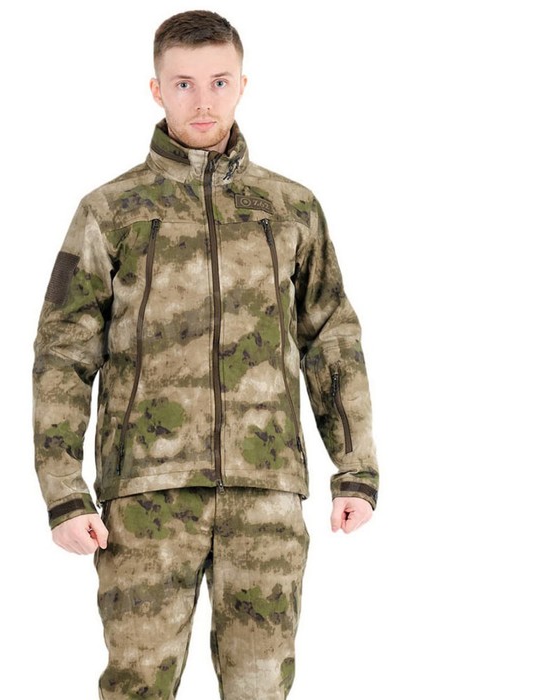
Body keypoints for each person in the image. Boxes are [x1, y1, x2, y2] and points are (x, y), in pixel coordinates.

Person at [32, 10, 379, 699]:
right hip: (146, 495)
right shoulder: (111, 212)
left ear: (243, 84)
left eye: (219, 81)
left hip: (265, 493)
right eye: (184, 83)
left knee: (262, 687)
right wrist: (63, 492)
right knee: (137, 686)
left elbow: (331, 337)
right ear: (156, 89)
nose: (203, 100)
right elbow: (63, 353)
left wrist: (356, 469)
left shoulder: (291, 209)